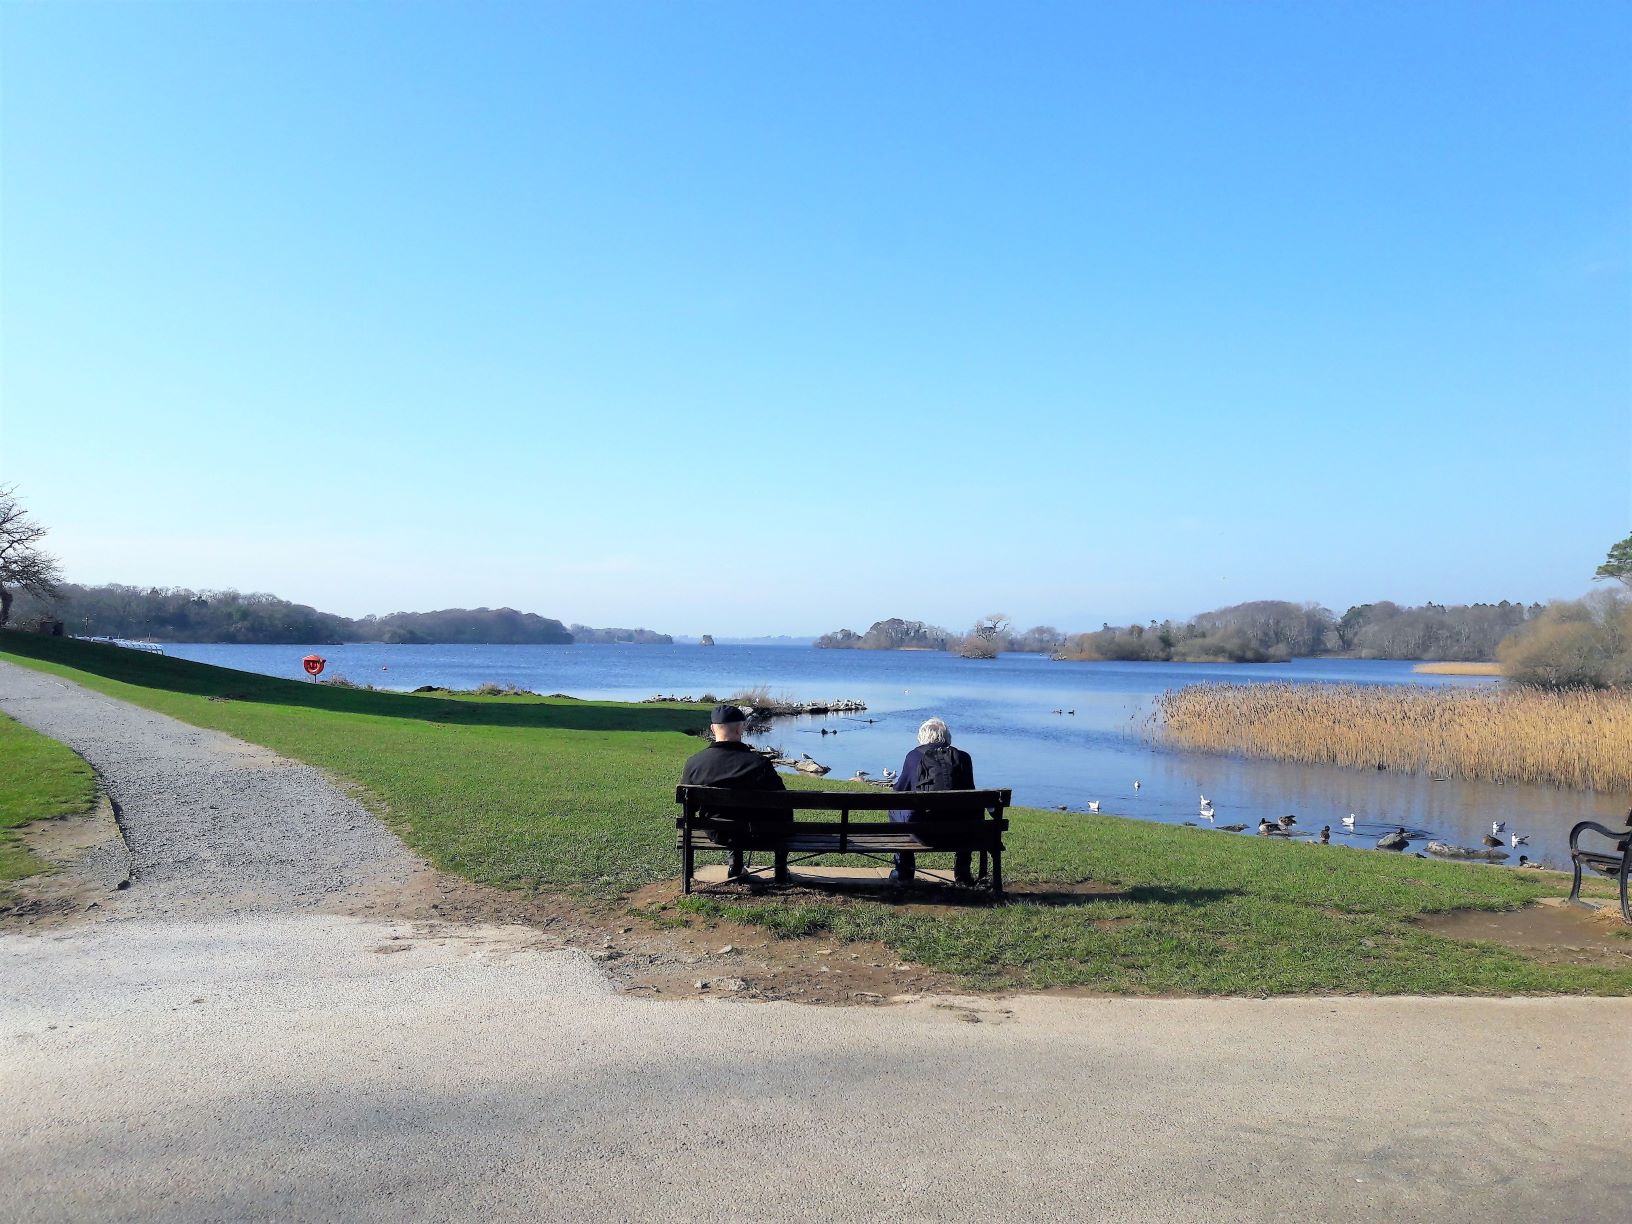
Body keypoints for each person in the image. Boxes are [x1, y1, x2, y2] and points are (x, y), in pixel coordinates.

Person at [680, 703, 792, 883]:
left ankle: (736, 865)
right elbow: (783, 802)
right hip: (756, 832)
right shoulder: (759, 764)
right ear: (740, 729)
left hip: (718, 833)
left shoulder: (694, 763)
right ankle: (780, 870)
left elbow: (689, 808)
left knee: (729, 816)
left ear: (712, 729)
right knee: (782, 814)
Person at [890, 717, 978, 886]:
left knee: (894, 809)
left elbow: (899, 791)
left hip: (923, 833)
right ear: (947, 737)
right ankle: (963, 873)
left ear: (922, 736)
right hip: (960, 832)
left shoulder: (913, 757)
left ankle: (904, 870)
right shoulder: (964, 758)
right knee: (969, 811)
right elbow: (971, 794)